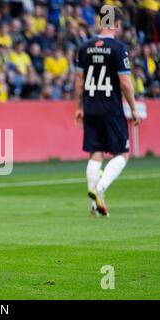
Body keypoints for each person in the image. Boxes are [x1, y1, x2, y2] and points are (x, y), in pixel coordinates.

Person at [75, 6, 141, 217]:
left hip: (90, 107)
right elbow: (125, 83)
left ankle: (95, 206)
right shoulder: (118, 48)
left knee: (96, 153)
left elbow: (79, 81)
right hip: (111, 108)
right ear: (117, 25)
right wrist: (132, 107)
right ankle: (100, 188)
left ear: (100, 23)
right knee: (122, 153)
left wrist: (79, 107)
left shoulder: (84, 47)